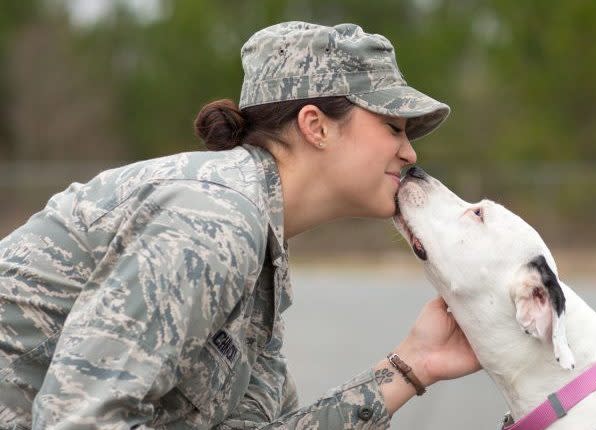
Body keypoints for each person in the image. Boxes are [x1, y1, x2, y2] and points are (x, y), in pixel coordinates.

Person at [0, 21, 480, 429]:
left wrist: (413, 365)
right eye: (393, 127)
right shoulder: (213, 221)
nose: (410, 153)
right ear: (316, 126)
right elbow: (79, 419)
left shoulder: (255, 257)